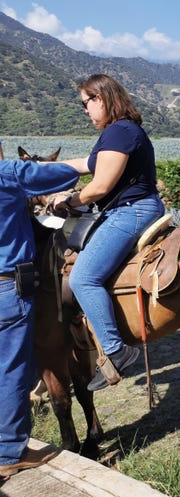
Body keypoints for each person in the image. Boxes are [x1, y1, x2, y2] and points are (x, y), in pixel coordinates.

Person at [52, 74, 165, 391]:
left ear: (101, 98)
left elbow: (99, 187)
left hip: (132, 211)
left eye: (86, 103)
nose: (85, 110)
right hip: (136, 208)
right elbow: (83, 164)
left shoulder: (119, 132)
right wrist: (39, 172)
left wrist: (68, 201)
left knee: (82, 277)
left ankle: (117, 351)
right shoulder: (118, 133)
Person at [0, 158, 81, 477]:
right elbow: (58, 173)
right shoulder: (7, 174)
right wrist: (101, 155)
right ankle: (8, 452)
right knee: (13, 369)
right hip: (7, 286)